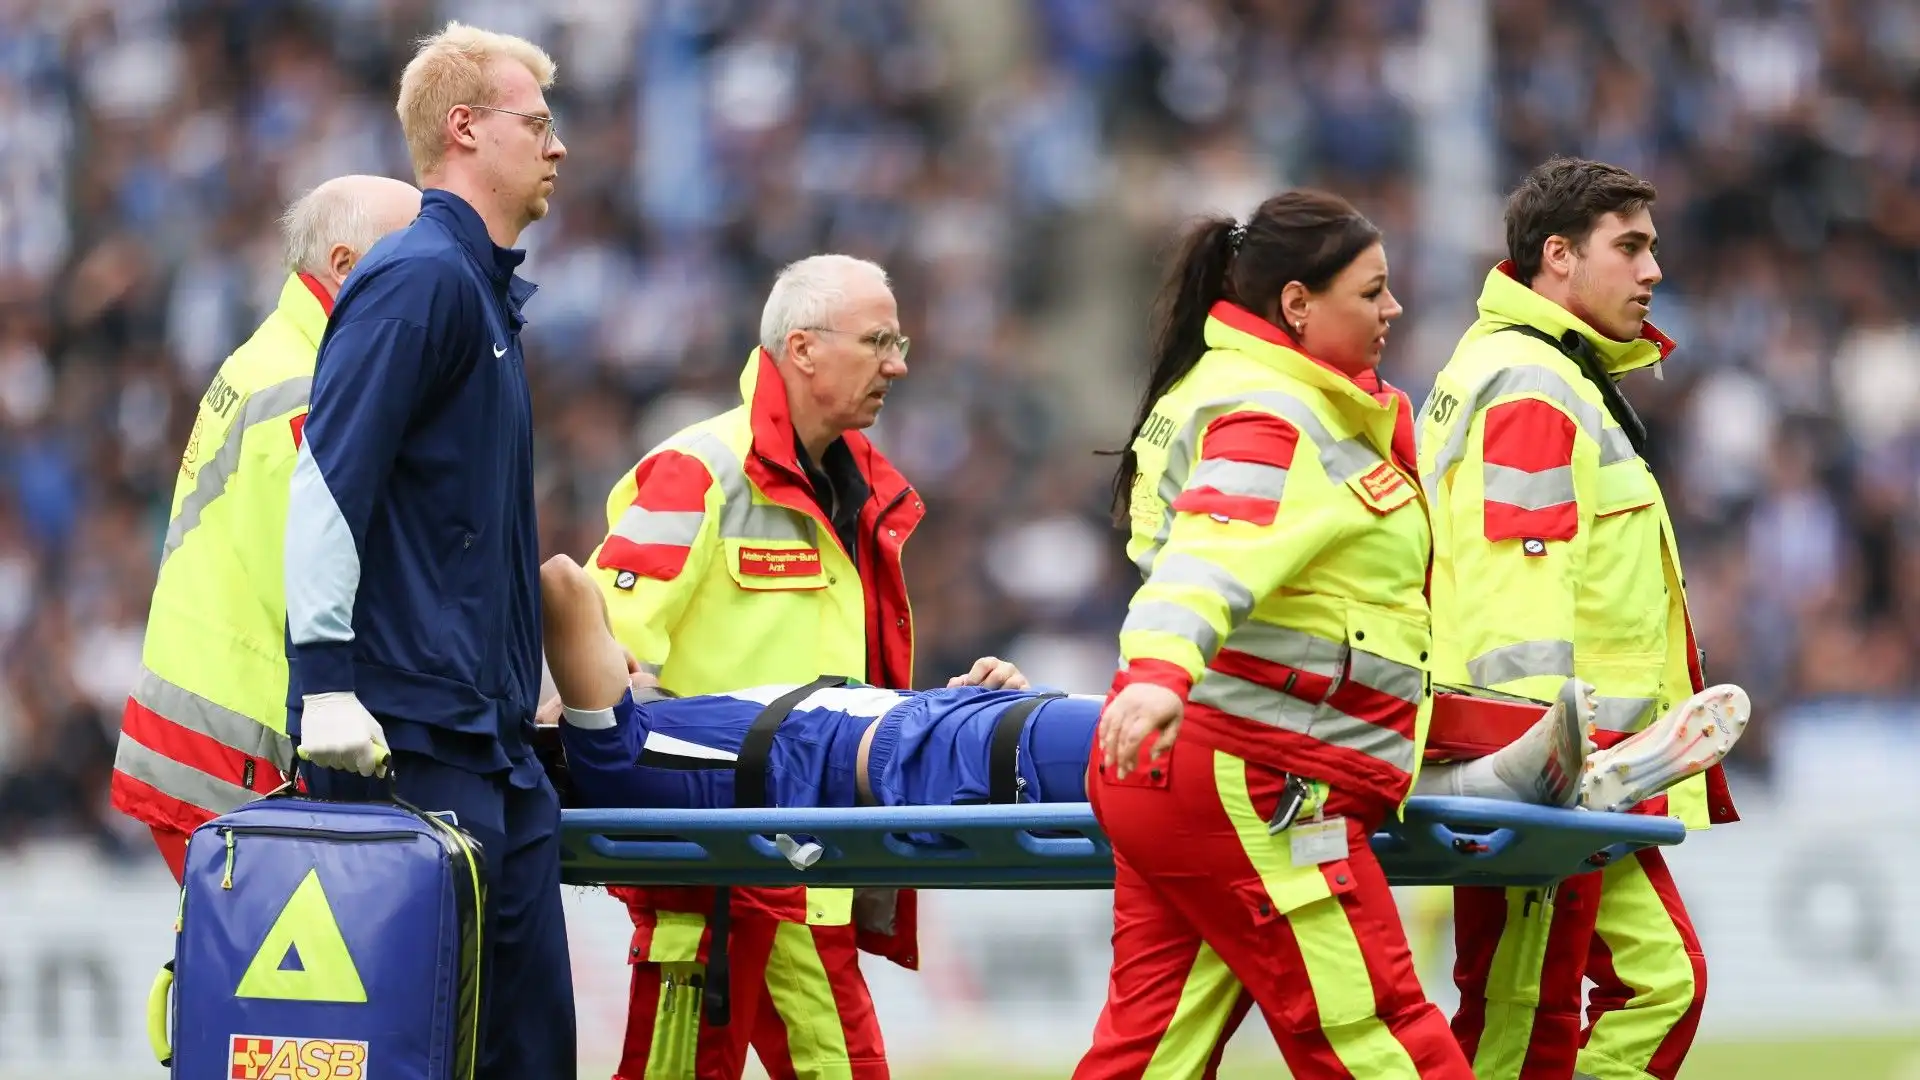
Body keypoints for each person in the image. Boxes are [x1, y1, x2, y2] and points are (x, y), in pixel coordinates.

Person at [581, 252, 1021, 1080]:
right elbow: (606, 655)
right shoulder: (699, 471)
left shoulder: (858, 492)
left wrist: (939, 712)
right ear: (804, 348)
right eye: (879, 340)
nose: (898, 363)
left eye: (901, 341)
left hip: (804, 863)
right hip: (718, 867)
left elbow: (833, 692)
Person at [1071, 190, 1475, 1080]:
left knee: (1150, 1057)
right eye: (1371, 292)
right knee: (1379, 1036)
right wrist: (1159, 675)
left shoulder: (1243, 395)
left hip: (1191, 774)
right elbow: (1209, 557)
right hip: (1258, 776)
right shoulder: (1278, 416)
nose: (1392, 310)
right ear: (1297, 305)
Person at [535, 551, 1747, 823]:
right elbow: (560, 581)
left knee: (1252, 725)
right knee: (1242, 729)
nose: (634, 657)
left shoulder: (659, 726)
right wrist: (529, 688)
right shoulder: (610, 747)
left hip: (959, 734)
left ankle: (1515, 770)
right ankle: (1499, 774)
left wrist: (957, 690)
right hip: (961, 763)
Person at [281, 23, 572, 1080]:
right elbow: (328, 482)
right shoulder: (420, 280)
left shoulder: (479, 292)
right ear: (465, 130)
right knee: (419, 1052)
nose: (560, 146)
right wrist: (322, 683)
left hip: (483, 737)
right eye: (536, 123)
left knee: (521, 1048)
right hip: (411, 739)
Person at [1418, 157, 1741, 1080]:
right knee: (1528, 1014)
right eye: (1630, 247)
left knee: (1607, 995)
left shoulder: (1535, 371)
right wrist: (1535, 771)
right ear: (1557, 257)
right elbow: (1508, 594)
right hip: (1551, 769)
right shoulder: (1531, 384)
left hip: (1574, 764)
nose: (1654, 272)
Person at [110, 174, 421, 883]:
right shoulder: (314, 387)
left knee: (235, 979)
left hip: (201, 732)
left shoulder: (279, 356)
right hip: (233, 752)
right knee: (274, 983)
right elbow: (324, 573)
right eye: (411, 257)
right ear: (345, 265)